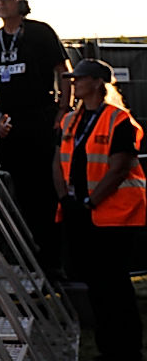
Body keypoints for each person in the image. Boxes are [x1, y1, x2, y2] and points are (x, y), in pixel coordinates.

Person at [54, 59, 145, 361]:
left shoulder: (119, 120)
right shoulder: (70, 120)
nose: (73, 84)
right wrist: (66, 199)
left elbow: (119, 169)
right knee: (97, 285)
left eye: (78, 79)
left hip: (115, 215)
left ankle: (127, 349)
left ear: (96, 83)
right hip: (84, 213)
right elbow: (57, 160)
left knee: (115, 284)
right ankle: (109, 348)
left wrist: (89, 202)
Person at [0, 0, 70, 272]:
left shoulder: (40, 32)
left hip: (41, 118)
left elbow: (64, 72)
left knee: (47, 188)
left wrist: (64, 110)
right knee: (24, 191)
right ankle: (39, 255)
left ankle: (59, 256)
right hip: (10, 123)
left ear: (20, 3)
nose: (1, 5)